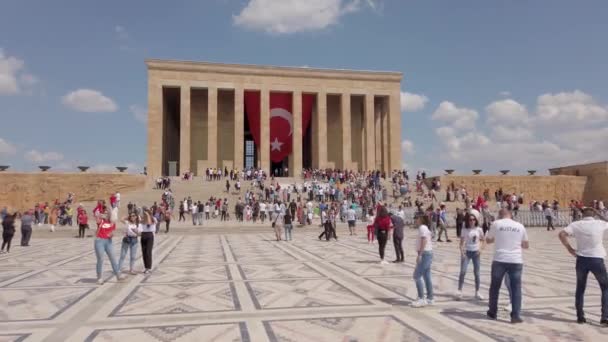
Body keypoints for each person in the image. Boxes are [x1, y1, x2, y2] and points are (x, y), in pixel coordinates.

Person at [558, 207, 608, 325]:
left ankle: (580, 316)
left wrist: (570, 249)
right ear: (593, 215)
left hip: (581, 259)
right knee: (605, 287)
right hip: (597, 259)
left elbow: (561, 234)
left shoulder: (576, 224)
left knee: (580, 288)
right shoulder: (600, 223)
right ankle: (605, 317)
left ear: (582, 215)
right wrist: (598, 213)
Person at [486, 208, 529, 324]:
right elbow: (526, 245)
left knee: (495, 287)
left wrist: (498, 238)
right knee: (516, 288)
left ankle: (492, 311)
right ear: (510, 214)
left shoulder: (496, 224)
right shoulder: (520, 226)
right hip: (515, 260)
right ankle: (515, 315)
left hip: (500, 259)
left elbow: (488, 240)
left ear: (500, 215)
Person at [456, 213, 485, 300]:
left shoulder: (479, 229)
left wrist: (480, 249)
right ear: (468, 221)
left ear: (476, 220)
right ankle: (459, 291)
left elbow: (483, 240)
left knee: (477, 273)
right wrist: (462, 252)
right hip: (467, 252)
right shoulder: (464, 230)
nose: (472, 221)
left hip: (476, 252)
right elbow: (461, 243)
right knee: (463, 271)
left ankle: (477, 292)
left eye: (473, 219)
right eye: (470, 220)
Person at [94, 214, 125, 285]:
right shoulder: (101, 221)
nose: (106, 215)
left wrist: (111, 234)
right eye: (105, 213)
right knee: (100, 259)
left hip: (108, 241)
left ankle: (118, 275)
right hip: (99, 241)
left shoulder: (112, 223)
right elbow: (96, 217)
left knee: (113, 258)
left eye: (107, 213)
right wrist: (100, 216)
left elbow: (112, 231)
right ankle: (99, 278)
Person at [411, 214, 434, 307]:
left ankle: (421, 298)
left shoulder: (422, 228)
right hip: (427, 253)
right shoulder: (424, 228)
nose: (415, 220)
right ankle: (430, 298)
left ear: (420, 219)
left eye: (416, 218)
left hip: (424, 254)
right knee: (427, 276)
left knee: (417, 275)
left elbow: (424, 240)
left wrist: (420, 254)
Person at [140, 208, 156, 274]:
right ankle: (146, 267)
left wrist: (148, 215)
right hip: (143, 235)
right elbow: (140, 221)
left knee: (148, 252)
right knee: (144, 252)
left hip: (149, 235)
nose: (145, 214)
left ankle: (149, 267)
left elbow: (149, 222)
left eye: (146, 213)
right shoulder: (143, 220)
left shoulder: (153, 219)